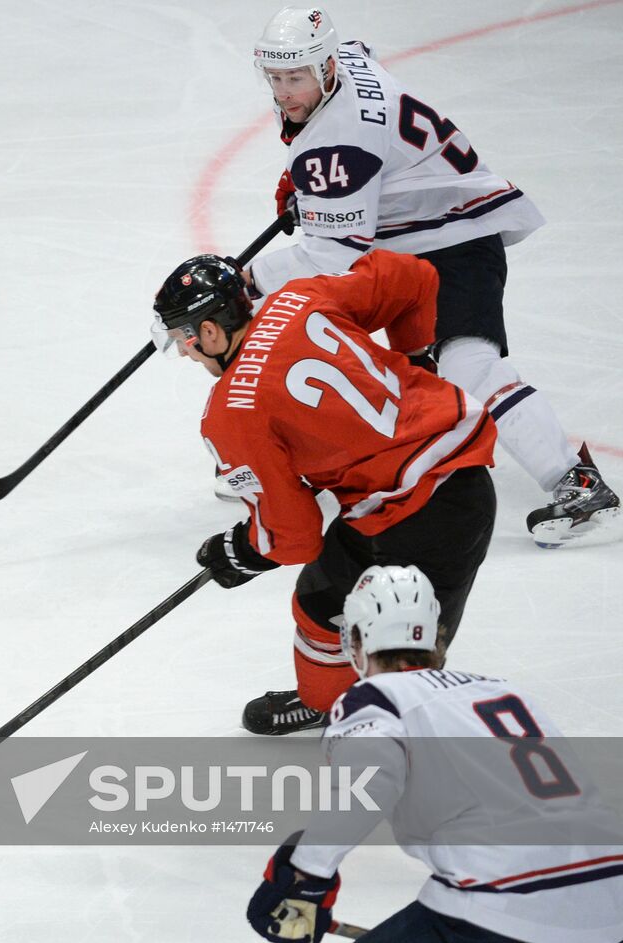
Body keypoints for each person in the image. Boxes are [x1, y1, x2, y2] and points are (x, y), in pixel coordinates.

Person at [243, 6, 618, 548]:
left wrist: (247, 279)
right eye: (275, 77)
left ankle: (575, 481)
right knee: (338, 342)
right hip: (412, 243)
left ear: (325, 67)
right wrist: (318, 188)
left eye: (295, 77)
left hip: (453, 242)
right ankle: (298, 463)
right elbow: (363, 54)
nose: (283, 91)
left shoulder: (340, 142)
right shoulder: (344, 61)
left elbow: (330, 256)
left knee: (469, 364)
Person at [152, 249, 495, 734]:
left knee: (402, 654)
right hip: (449, 486)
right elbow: (413, 277)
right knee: (320, 604)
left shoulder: (230, 414)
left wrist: (242, 550)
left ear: (209, 331)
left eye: (183, 338)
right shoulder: (299, 298)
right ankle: (327, 703)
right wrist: (418, 358)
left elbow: (292, 536)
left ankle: (414, 765)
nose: (184, 352)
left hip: (425, 515)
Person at [246, 565, 623, 942]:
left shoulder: (375, 699)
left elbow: (367, 786)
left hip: (504, 902)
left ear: (357, 640)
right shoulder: (504, 691)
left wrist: (307, 874)